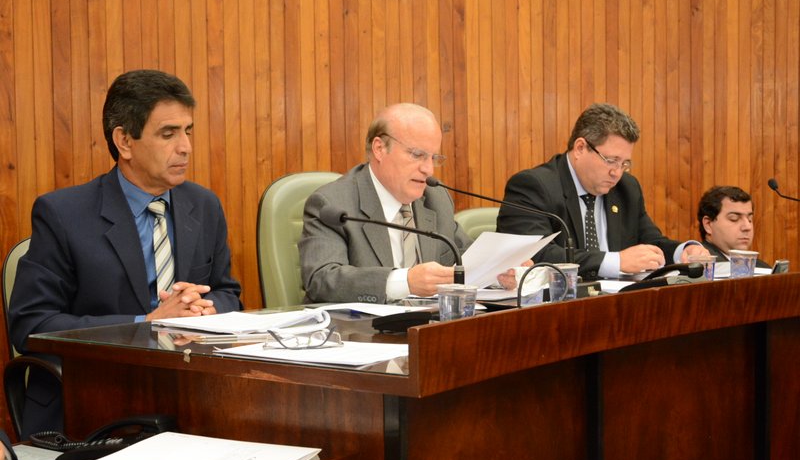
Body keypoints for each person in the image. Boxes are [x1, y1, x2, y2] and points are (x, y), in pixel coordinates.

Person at [8, 69, 242, 438]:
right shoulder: (63, 214)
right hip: (94, 401)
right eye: (168, 134)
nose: (186, 147)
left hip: (191, 396)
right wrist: (145, 324)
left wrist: (203, 310)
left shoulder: (203, 205)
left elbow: (228, 292)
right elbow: (32, 325)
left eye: (188, 131)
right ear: (124, 141)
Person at [299, 103, 517, 303]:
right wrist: (405, 282)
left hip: (428, 326)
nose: (428, 169)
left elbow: (464, 257)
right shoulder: (333, 204)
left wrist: (498, 271)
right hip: (362, 330)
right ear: (380, 149)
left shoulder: (435, 197)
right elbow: (321, 279)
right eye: (417, 155)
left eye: (433, 158)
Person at [497, 102, 708, 281]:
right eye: (611, 160)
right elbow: (535, 254)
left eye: (625, 163)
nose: (617, 172)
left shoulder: (627, 188)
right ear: (580, 148)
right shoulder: (534, 186)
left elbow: (650, 241)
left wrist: (683, 252)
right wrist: (615, 262)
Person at [696, 185, 769, 268]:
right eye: (734, 218)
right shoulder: (699, 265)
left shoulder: (763, 268)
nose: (747, 227)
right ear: (708, 224)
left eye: (750, 219)